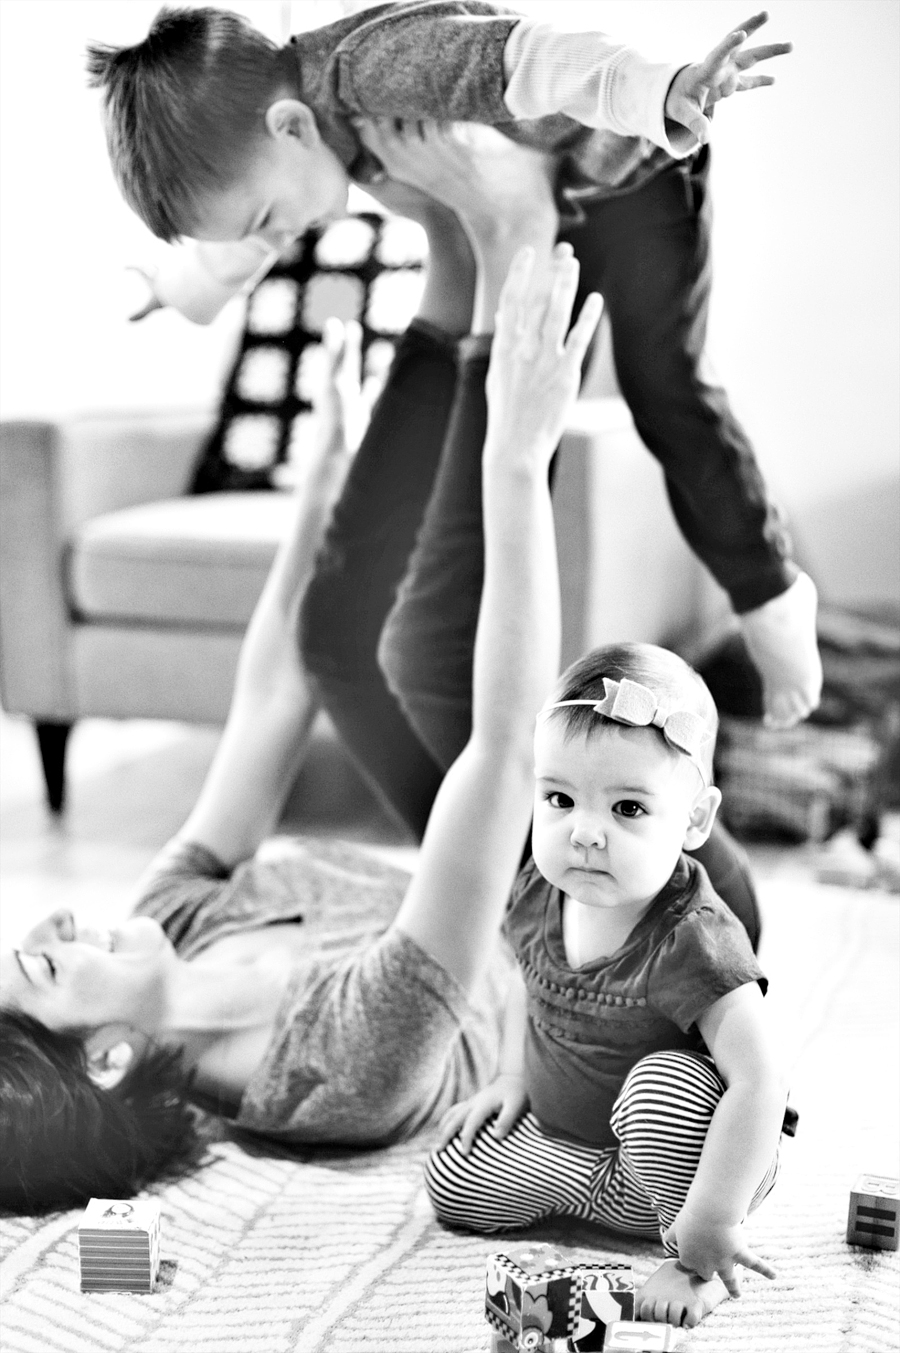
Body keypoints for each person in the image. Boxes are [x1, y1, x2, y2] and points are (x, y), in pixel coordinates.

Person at [0, 216, 602, 1215]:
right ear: (107, 1059)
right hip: (578, 906)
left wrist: (324, 465)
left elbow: (272, 697)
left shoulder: (162, 928)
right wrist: (518, 455)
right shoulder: (343, 1065)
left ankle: (458, 250)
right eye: (46, 962)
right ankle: (493, 245)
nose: (59, 917)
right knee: (419, 644)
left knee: (334, 643)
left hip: (500, 858)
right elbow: (505, 761)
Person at [85, 1, 823, 731]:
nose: (279, 238)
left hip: (634, 183)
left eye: (265, 217)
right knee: (520, 435)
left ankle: (771, 594)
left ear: (291, 125)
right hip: (542, 212)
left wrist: (665, 87)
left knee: (664, 386)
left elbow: (530, 58)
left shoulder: (379, 65)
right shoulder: (291, 135)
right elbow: (239, 244)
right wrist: (179, 292)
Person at [424, 639, 788, 1330]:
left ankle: (688, 1245)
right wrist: (509, 1079)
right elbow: (523, 989)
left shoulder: (694, 938)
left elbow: (761, 1080)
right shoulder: (539, 889)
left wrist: (714, 1216)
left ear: (694, 819)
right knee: (451, 1172)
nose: (585, 833)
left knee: (659, 1089)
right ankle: (604, 1197)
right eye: (559, 798)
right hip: (588, 1146)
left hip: (696, 1154)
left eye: (627, 809)